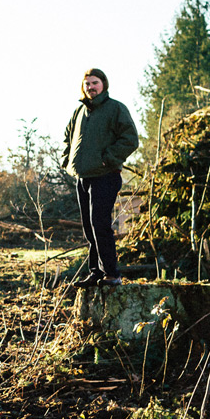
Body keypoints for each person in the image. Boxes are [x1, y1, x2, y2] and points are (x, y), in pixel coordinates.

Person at [62, 68, 139, 288]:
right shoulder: (79, 112)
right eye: (87, 84)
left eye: (94, 83)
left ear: (104, 84)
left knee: (100, 224)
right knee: (89, 227)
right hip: (83, 177)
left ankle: (112, 274)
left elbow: (130, 139)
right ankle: (96, 272)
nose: (90, 87)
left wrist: (107, 159)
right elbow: (67, 138)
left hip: (105, 176)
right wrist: (66, 161)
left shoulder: (115, 108)